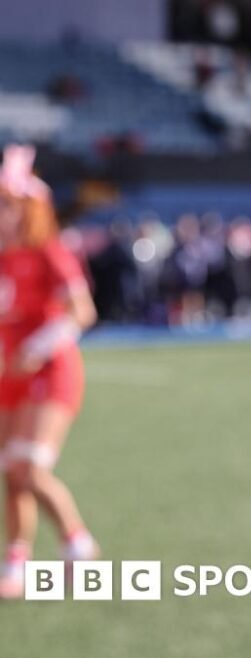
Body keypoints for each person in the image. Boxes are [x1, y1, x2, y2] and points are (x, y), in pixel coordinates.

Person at [0, 145, 99, 599]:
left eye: (6, 205)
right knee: (12, 473)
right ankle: (17, 563)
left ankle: (78, 543)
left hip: (50, 370)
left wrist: (36, 348)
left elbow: (82, 312)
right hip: (10, 375)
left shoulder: (50, 251)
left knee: (29, 467)